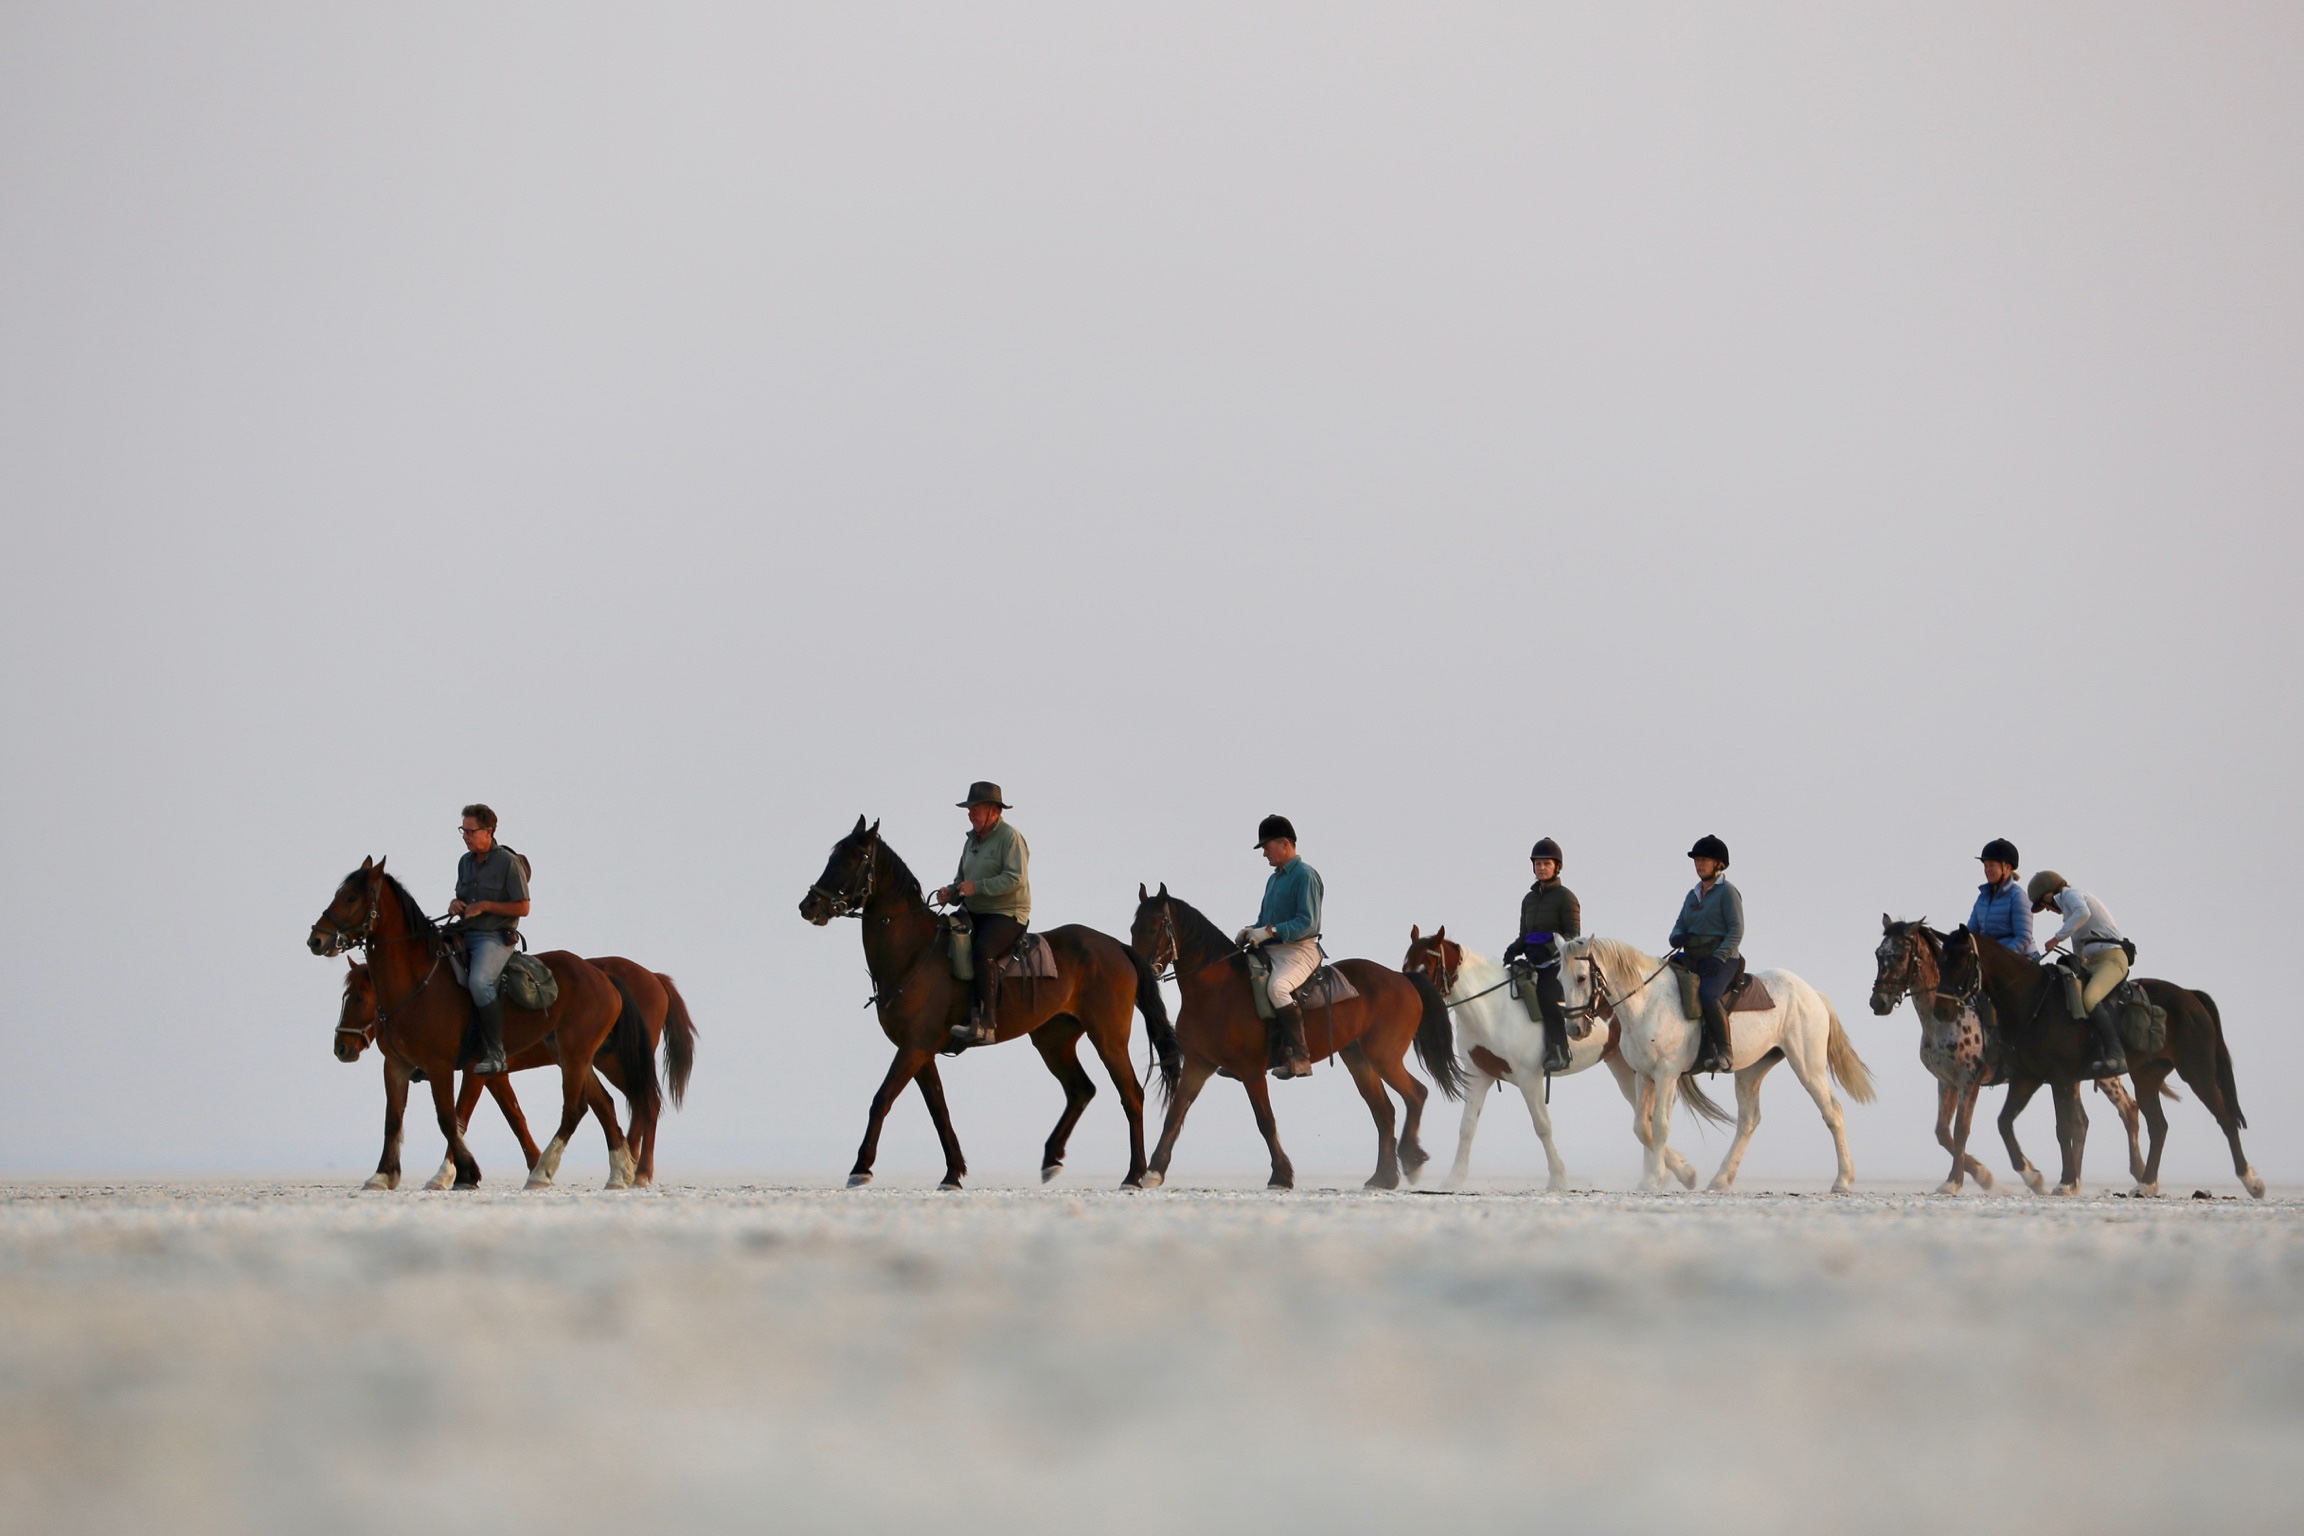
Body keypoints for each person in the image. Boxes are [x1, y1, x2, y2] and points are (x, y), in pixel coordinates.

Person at [932, 782, 1030, 1049]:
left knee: (983, 950)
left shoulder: (1010, 838)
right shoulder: (971, 841)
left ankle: (986, 1023)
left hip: (1006, 913)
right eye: (969, 809)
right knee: (941, 938)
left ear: (994, 811)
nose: (970, 814)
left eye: (975, 809)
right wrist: (950, 892)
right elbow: (961, 879)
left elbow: (1015, 879)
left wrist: (978, 887)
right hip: (973, 910)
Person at [1237, 814, 1323, 1080]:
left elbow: (1308, 923)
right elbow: (1265, 921)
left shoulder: (1305, 876)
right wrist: (1251, 930)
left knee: (1277, 988)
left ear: (1285, 843)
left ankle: (1300, 1057)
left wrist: (1271, 931)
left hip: (1299, 951)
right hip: (1273, 949)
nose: (1264, 853)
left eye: (1266, 846)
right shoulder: (1274, 879)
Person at [447, 803, 529, 1075]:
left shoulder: (508, 862)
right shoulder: (465, 862)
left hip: (494, 937)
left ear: (489, 831)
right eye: (463, 830)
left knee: (480, 982)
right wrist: (456, 904)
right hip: (463, 933)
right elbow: (461, 896)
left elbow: (523, 907)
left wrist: (485, 906)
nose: (465, 836)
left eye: (471, 831)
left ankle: (496, 1053)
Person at [2028, 871, 2129, 1079]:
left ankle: (2117, 1054)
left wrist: (2057, 938)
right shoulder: (2068, 914)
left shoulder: (2071, 896)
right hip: (2093, 962)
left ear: (2049, 894)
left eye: (2043, 904)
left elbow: (2083, 914)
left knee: (2090, 998)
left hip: (2111, 959)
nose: (2046, 909)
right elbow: (2079, 951)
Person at [1502, 837, 1581, 1074]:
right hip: (1533, 961)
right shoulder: (1529, 899)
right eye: (1538, 864)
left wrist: (1551, 949)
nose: (1541, 868)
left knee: (1546, 997)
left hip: (1557, 964)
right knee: (1507, 991)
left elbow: (1573, 936)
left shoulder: (1566, 897)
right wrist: (1515, 948)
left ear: (1557, 867)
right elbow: (1525, 935)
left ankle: (1559, 1051)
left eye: (1546, 863)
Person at [1668, 834, 1742, 1075]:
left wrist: (1719, 957)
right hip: (1693, 956)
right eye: (1697, 860)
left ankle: (1724, 1051)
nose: (1699, 864)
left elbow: (1736, 930)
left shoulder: (1728, 893)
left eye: (1705, 860)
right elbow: (1679, 924)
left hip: (1722, 960)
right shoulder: (1692, 895)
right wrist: (1677, 937)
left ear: (1718, 864)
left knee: (1709, 995)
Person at [1968, 838, 2036, 957]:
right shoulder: (1982, 898)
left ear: (2007, 868)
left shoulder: (2017, 897)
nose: (1987, 870)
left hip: (2019, 958)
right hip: (1991, 958)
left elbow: (2024, 937)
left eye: (1992, 865)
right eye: (1985, 866)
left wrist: (2000, 957)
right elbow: (1971, 933)